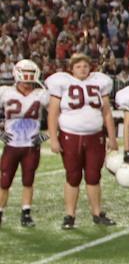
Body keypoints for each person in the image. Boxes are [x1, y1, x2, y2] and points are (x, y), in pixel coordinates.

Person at [45, 51, 117, 229]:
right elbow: (53, 114)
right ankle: (69, 215)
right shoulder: (62, 83)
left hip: (95, 136)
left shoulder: (99, 82)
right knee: (73, 176)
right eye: (78, 66)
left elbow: (107, 113)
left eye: (85, 66)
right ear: (71, 69)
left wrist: (112, 137)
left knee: (93, 176)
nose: (82, 69)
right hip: (71, 136)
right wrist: (53, 138)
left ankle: (97, 213)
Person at [0, 59, 47, 228]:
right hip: (12, 145)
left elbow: (59, 115)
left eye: (30, 80)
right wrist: (0, 133)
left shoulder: (41, 94)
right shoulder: (5, 92)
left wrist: (46, 136)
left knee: (28, 180)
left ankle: (26, 213)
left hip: (31, 146)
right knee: (4, 181)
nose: (27, 84)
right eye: (24, 80)